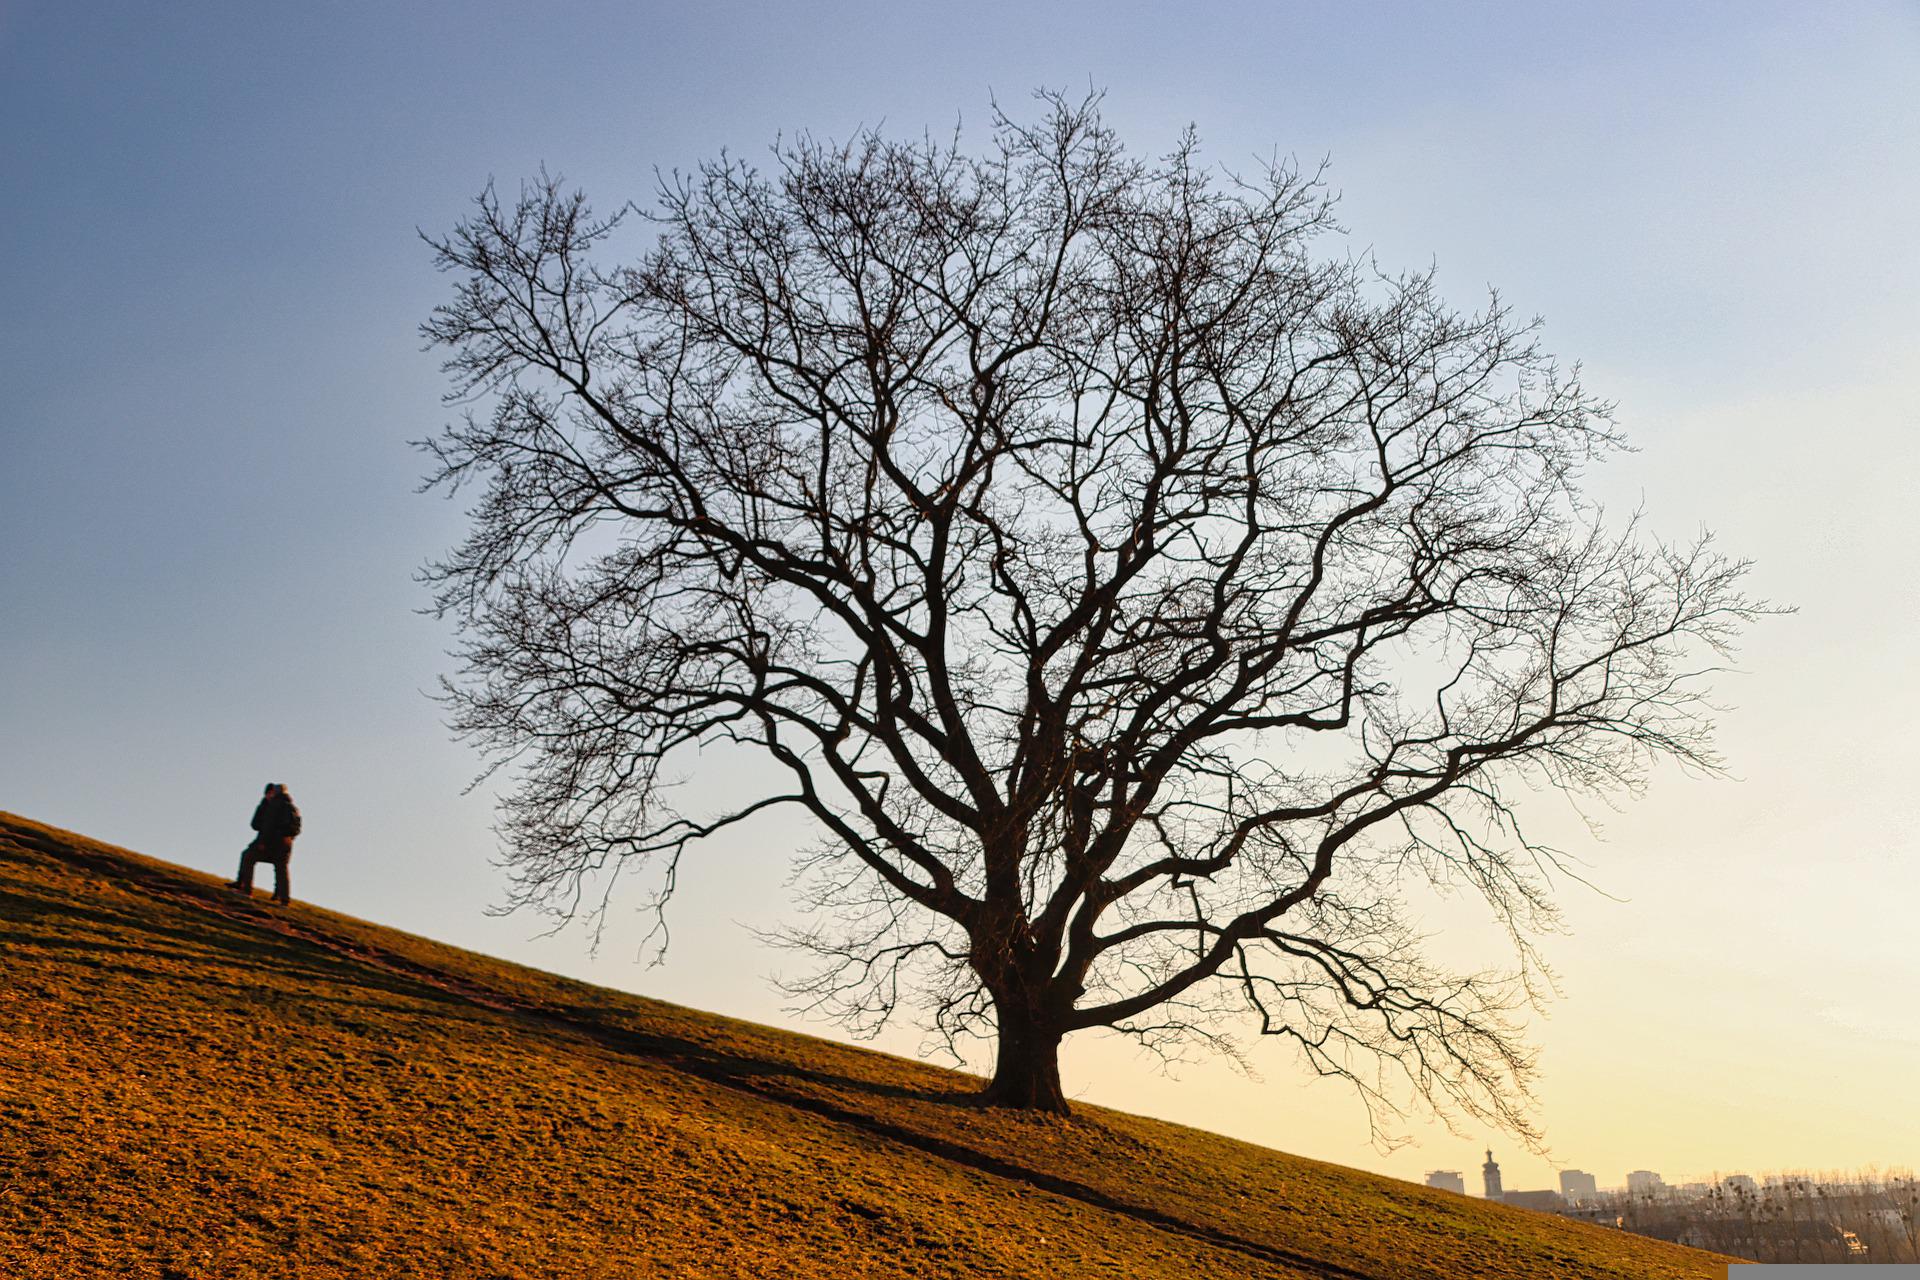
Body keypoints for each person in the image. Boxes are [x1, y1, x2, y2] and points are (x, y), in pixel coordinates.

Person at [231, 783, 301, 904]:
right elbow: (297, 828)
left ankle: (246, 890)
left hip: (271, 842)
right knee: (281, 869)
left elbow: (268, 825)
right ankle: (284, 899)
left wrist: (263, 842)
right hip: (286, 844)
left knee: (248, 857)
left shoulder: (274, 805)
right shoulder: (293, 808)